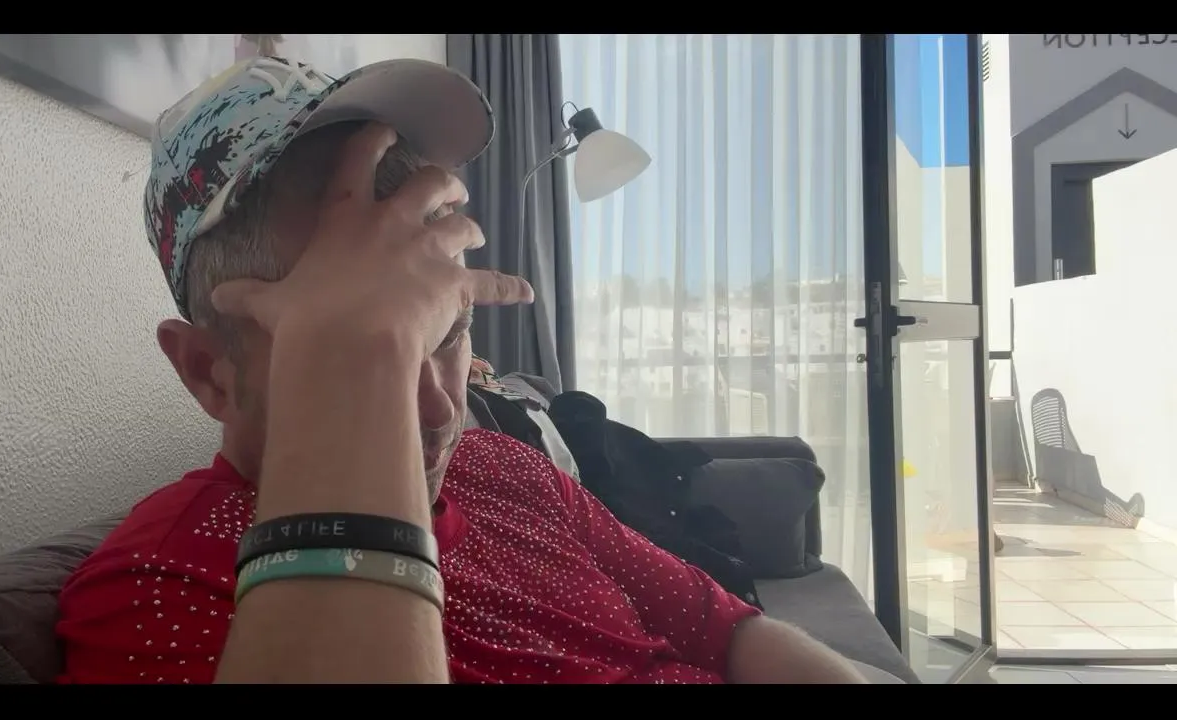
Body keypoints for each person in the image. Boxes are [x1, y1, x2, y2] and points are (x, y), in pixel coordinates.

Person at [55, 54, 868, 684]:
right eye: (364, 343)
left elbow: (728, 630)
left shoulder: (505, 469)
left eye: (446, 334)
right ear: (208, 372)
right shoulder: (155, 589)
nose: (442, 409)